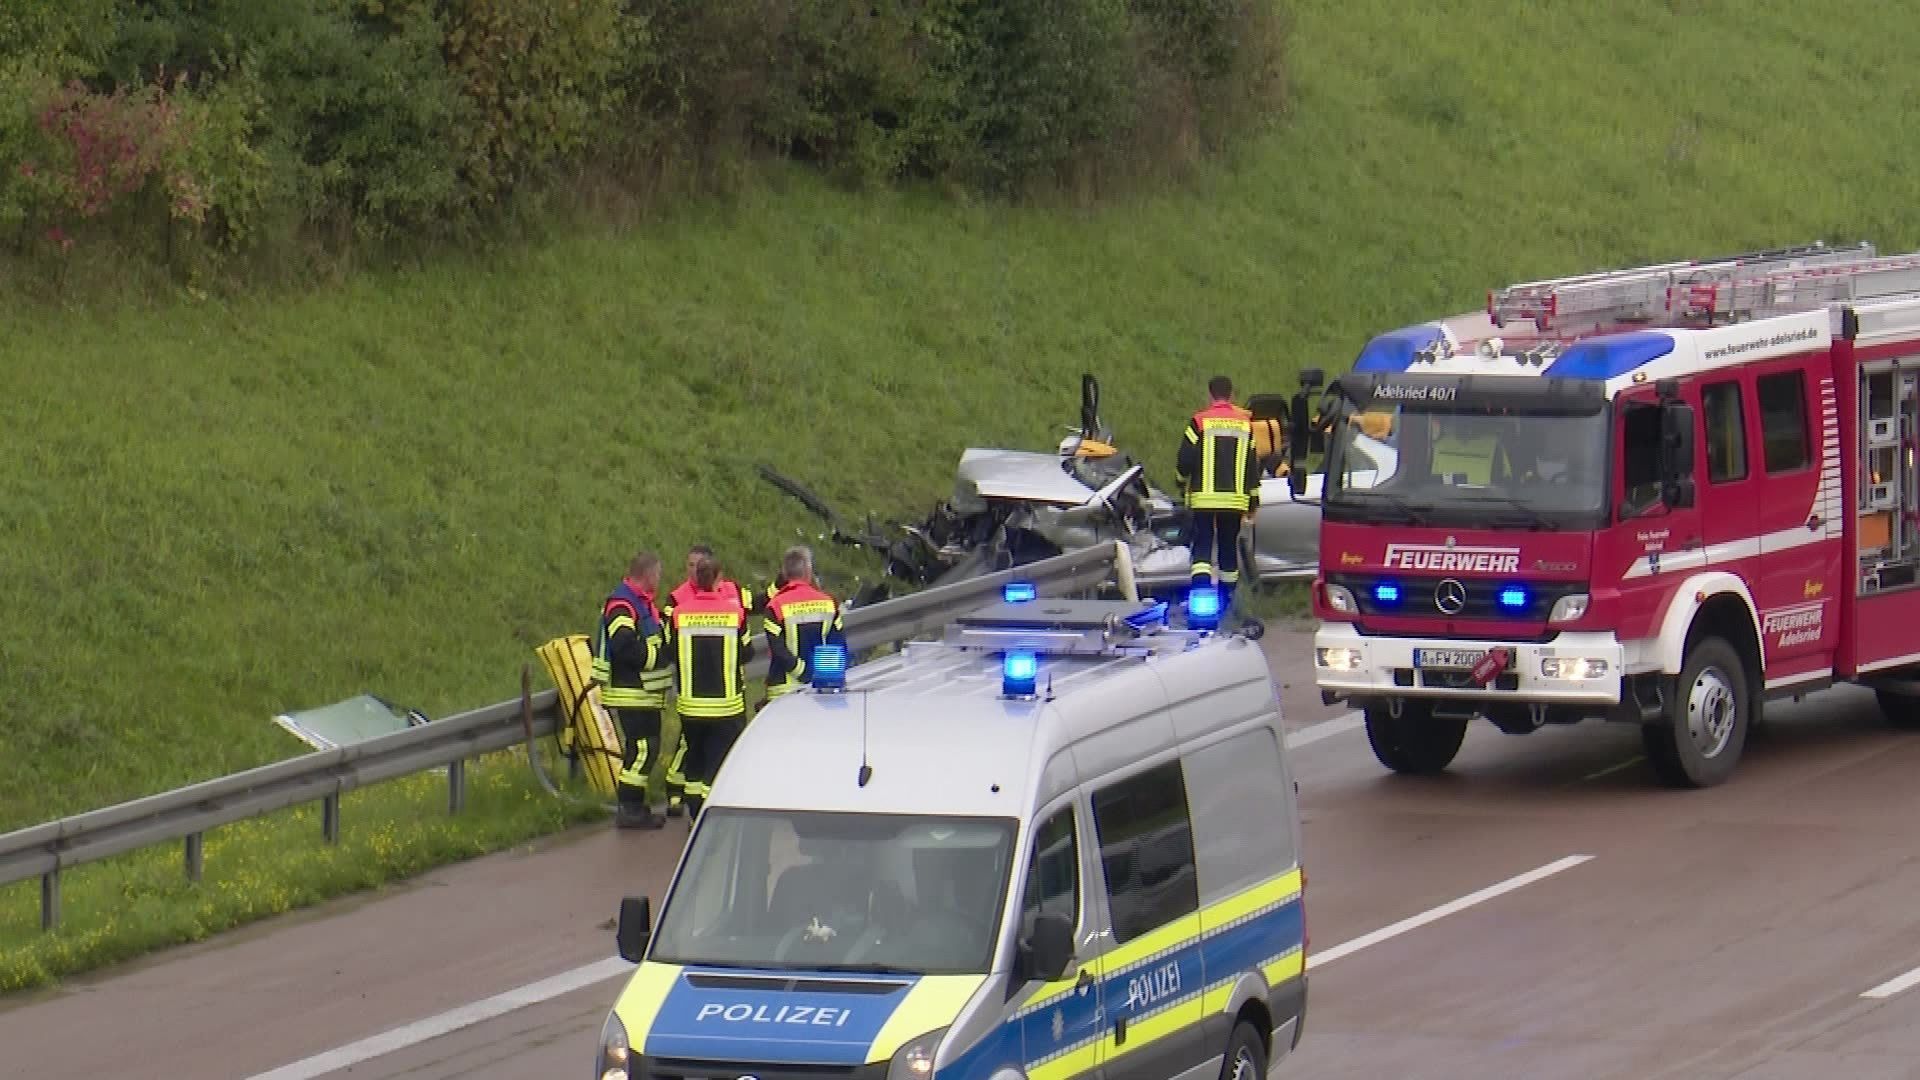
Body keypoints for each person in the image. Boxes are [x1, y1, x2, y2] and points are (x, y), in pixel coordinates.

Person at [661, 555, 755, 818]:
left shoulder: (679, 614)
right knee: (716, 763)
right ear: (717, 580)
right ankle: (708, 816)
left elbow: (669, 651)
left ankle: (693, 814)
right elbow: (747, 653)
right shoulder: (734, 614)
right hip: (726, 706)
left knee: (695, 762)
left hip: (690, 706)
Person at [592, 551, 673, 830]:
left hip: (644, 693)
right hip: (632, 691)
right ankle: (629, 808)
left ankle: (633, 807)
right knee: (642, 750)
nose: (660, 579)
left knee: (643, 749)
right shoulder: (622, 604)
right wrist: (655, 657)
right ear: (648, 574)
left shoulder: (641, 604)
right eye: (658, 574)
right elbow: (623, 645)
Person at [1176, 374, 1262, 612]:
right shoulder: (1245, 425)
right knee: (1227, 550)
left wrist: (1181, 482)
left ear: (1210, 394)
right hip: (1234, 502)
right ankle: (1227, 603)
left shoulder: (1200, 422)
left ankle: (1201, 599)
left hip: (1203, 500)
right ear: (1231, 395)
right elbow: (1252, 466)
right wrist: (1253, 499)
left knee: (1202, 548)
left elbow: (1185, 460)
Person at [761, 545, 847, 704]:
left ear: (785, 574)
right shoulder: (828, 603)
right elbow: (839, 645)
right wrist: (819, 675)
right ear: (808, 572)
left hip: (783, 691)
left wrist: (803, 672)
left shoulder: (775, 606)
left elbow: (778, 650)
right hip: (822, 687)